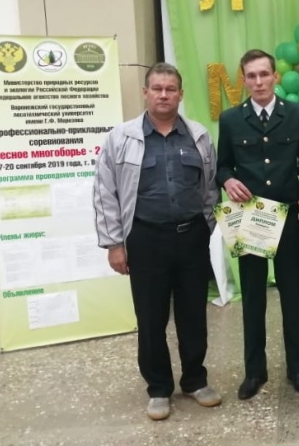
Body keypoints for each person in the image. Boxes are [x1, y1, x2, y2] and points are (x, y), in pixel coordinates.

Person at [92, 62, 221, 420]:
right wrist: (114, 243)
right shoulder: (121, 138)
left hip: (191, 238)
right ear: (146, 92)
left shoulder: (198, 136)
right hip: (145, 239)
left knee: (193, 315)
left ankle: (195, 380)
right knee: (151, 318)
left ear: (180, 94)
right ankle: (159, 388)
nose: (164, 95)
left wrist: (206, 227)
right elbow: (104, 192)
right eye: (157, 88)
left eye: (170, 89)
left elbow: (209, 187)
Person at [216, 49, 299, 400]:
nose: (258, 82)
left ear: (276, 77)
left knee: (293, 295)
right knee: (253, 296)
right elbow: (222, 166)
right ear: (244, 80)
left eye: (264, 74)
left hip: (288, 218)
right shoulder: (231, 119)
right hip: (249, 218)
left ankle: (297, 368)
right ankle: (254, 371)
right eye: (251, 76)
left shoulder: (297, 115)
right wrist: (228, 180)